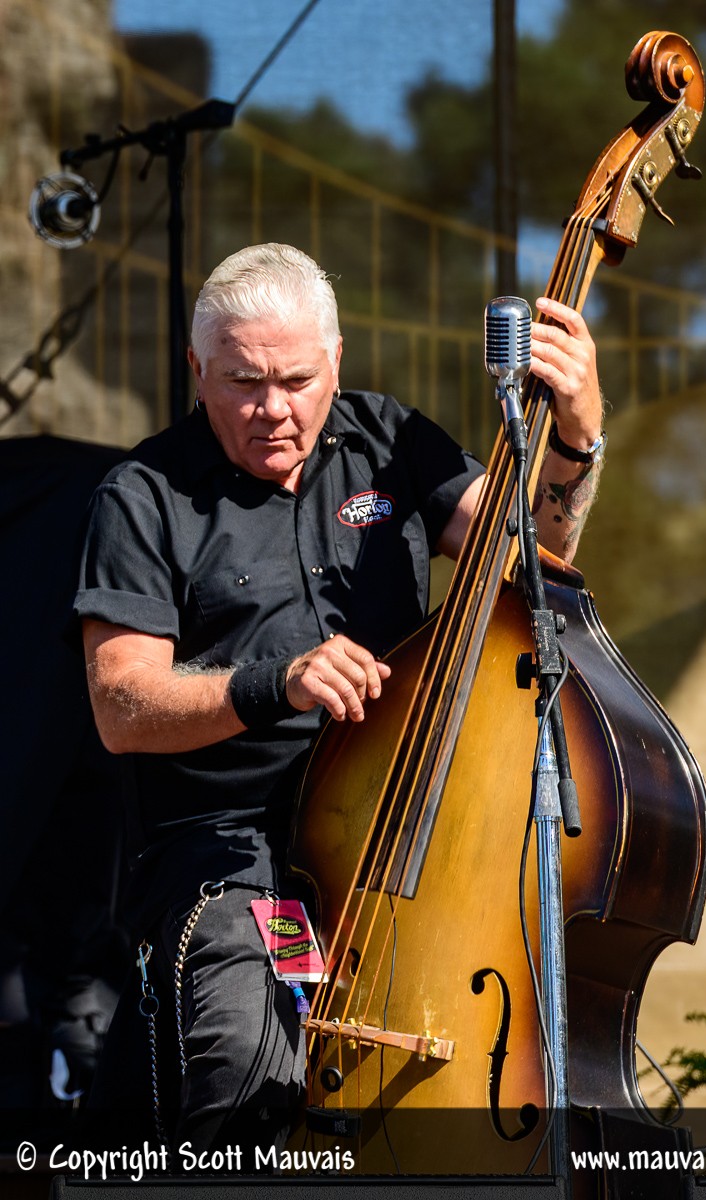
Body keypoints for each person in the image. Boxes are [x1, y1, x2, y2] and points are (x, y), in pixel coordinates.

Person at [74, 243, 604, 1157]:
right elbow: (121, 705)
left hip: (392, 844)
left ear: (338, 362)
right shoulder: (143, 495)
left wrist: (578, 430)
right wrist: (271, 681)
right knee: (259, 1079)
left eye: (295, 380)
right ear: (196, 370)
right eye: (242, 382)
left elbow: (533, 552)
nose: (272, 409)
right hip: (242, 857)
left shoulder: (391, 441)